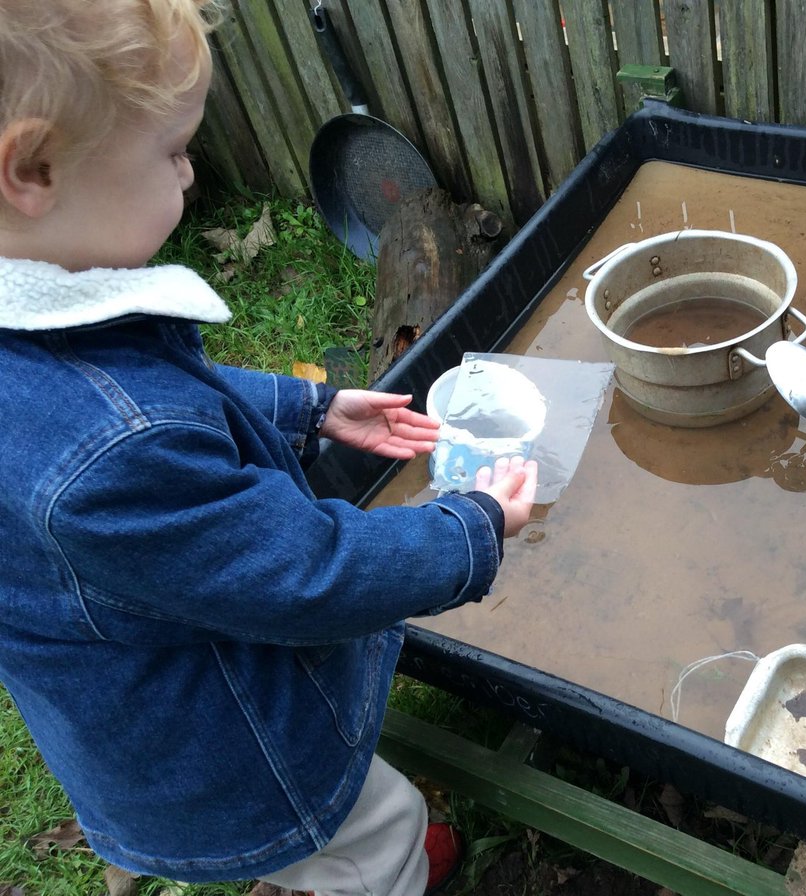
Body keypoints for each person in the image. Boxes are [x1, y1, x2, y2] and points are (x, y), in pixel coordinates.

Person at [0, 2, 537, 894]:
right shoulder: (109, 462)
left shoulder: (44, 353)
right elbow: (303, 574)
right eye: (172, 150)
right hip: (227, 751)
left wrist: (311, 406)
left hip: (110, 703)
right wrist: (470, 528)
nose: (190, 167)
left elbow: (154, 399)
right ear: (33, 168)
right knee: (384, 829)